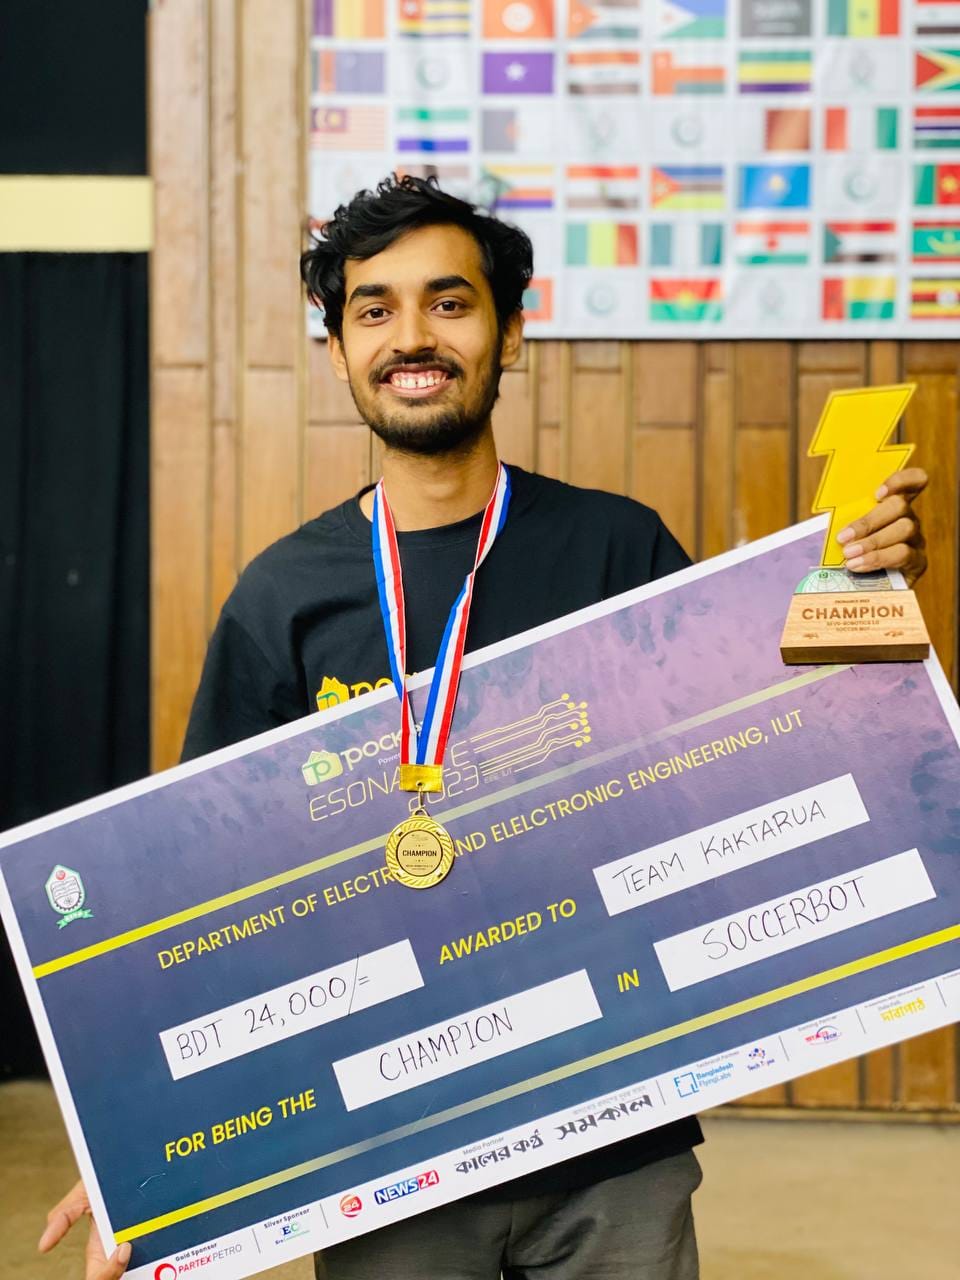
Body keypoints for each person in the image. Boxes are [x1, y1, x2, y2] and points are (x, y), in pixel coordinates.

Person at [39, 175, 929, 1280]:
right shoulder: (283, 599)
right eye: (374, 309)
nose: (412, 337)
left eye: (449, 302)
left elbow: (761, 756)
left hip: (614, 1135)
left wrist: (861, 587)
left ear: (511, 332)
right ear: (338, 351)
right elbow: (199, 896)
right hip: (386, 1154)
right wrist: (139, 1151)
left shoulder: (617, 551)